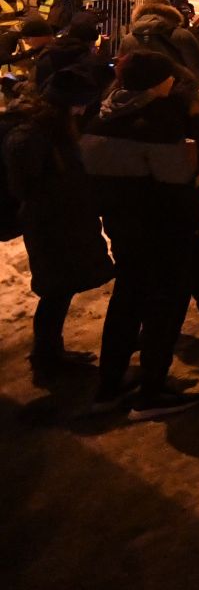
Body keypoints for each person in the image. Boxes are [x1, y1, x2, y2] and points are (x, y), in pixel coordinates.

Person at [82, 50, 199, 419]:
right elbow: (177, 177)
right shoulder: (157, 120)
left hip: (122, 224)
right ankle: (152, 392)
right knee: (165, 307)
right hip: (164, 226)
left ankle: (109, 386)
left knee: (126, 301)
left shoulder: (101, 113)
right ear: (159, 81)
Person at [3, 69, 114, 376]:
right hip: (50, 223)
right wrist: (62, 197)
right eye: (80, 103)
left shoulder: (50, 125)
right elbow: (27, 184)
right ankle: (47, 356)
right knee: (56, 289)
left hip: (63, 218)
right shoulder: (32, 133)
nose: (82, 110)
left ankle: (51, 351)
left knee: (61, 287)